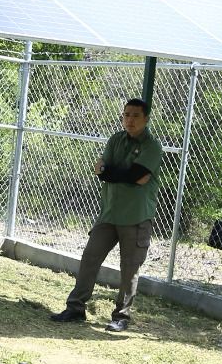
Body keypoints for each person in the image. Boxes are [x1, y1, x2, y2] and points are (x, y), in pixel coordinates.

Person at [49, 97, 163, 333]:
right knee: (90, 257)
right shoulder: (115, 139)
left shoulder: (152, 145)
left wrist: (110, 172)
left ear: (146, 119)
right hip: (109, 213)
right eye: (126, 115)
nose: (130, 120)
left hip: (136, 216)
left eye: (136, 116)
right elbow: (102, 171)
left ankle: (121, 316)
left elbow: (138, 176)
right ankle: (75, 308)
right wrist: (117, 173)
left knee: (129, 268)